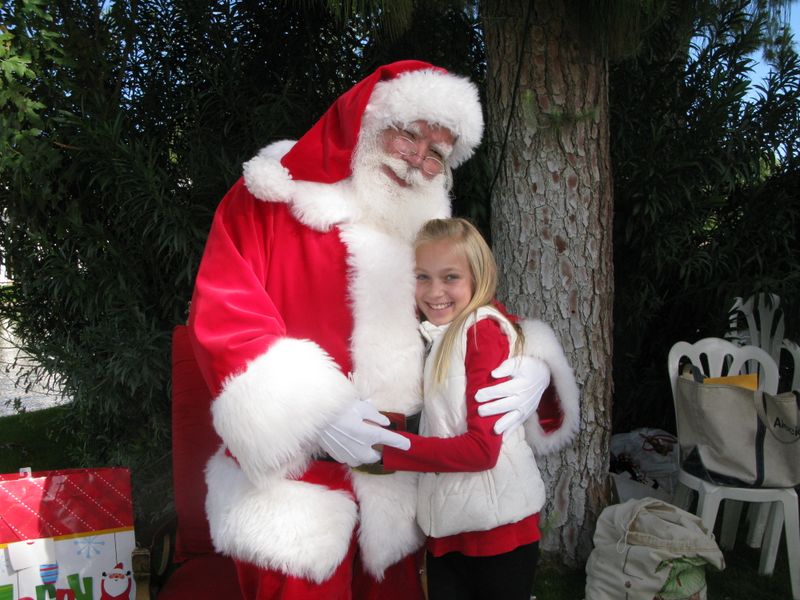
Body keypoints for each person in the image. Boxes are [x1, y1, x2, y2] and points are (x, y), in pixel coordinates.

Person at [187, 60, 580, 599]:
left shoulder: (423, 236)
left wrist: (532, 362)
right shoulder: (272, 202)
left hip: (397, 494)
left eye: (436, 154)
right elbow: (223, 319)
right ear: (368, 122)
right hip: (291, 490)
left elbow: (470, 304)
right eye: (409, 136)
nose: (418, 161)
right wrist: (317, 413)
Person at [383, 217, 574, 600]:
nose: (434, 291)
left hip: (496, 533)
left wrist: (388, 451)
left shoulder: (478, 331)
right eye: (422, 277)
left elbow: (482, 451)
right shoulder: (441, 333)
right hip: (453, 525)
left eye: (450, 277)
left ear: (478, 277)